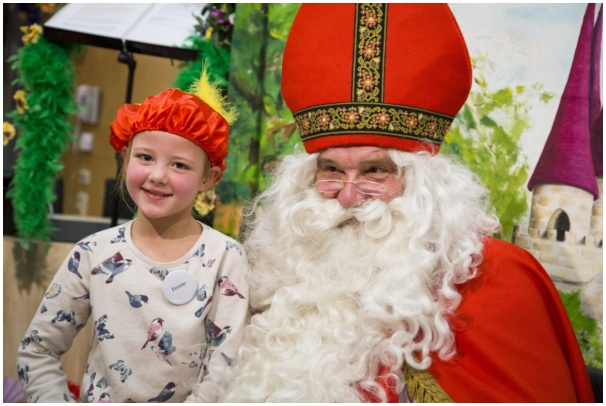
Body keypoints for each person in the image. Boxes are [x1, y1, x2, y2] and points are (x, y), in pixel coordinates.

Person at [220, 4, 595, 403]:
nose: (348, 196)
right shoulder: (281, 281)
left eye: (375, 171)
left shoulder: (499, 279)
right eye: (330, 170)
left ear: (425, 184)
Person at [16, 69, 249, 403]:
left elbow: (226, 370)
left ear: (208, 178)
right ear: (125, 157)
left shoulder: (226, 257)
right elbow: (38, 349)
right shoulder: (93, 253)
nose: (158, 175)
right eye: (145, 157)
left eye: (180, 165)